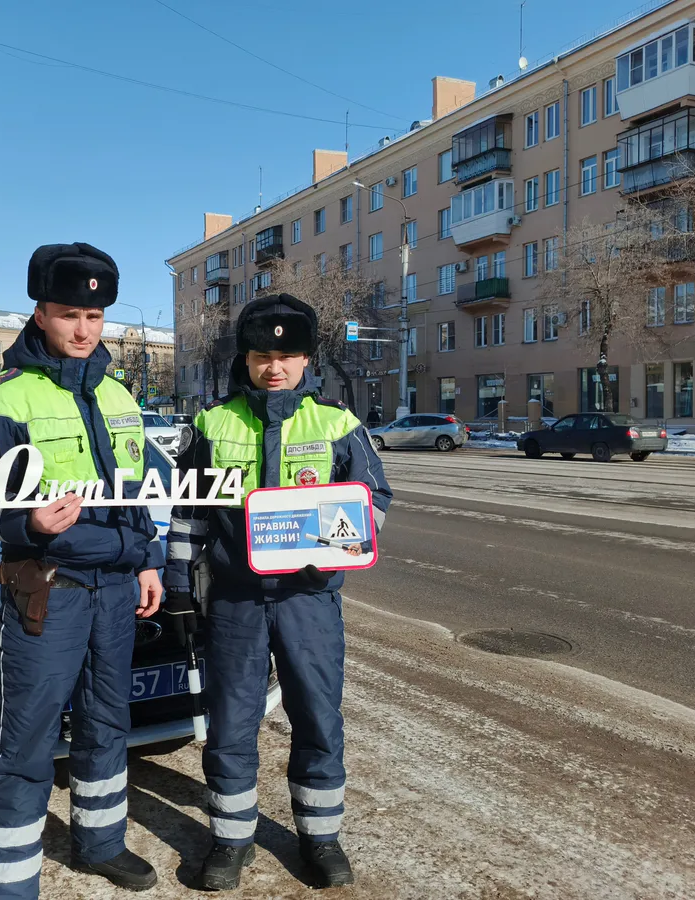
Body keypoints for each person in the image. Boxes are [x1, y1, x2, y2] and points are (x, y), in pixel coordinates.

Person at [0, 242, 165, 899]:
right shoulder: (4, 399)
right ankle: (10, 887)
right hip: (49, 592)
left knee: (108, 726)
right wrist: (30, 524)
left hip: (117, 590)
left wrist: (149, 560)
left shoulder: (120, 397)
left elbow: (140, 492)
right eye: (69, 314)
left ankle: (101, 844)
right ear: (41, 313)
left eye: (94, 317)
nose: (82, 329)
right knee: (26, 743)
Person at [164, 293, 392, 891]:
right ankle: (231, 839)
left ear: (306, 358)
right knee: (230, 723)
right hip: (236, 602)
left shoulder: (338, 424)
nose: (275, 367)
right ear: (246, 359)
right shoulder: (213, 423)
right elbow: (188, 515)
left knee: (317, 717)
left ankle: (320, 838)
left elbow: (375, 501)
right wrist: (180, 588)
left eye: (287, 356)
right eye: (263, 356)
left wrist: (333, 549)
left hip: (308, 602)